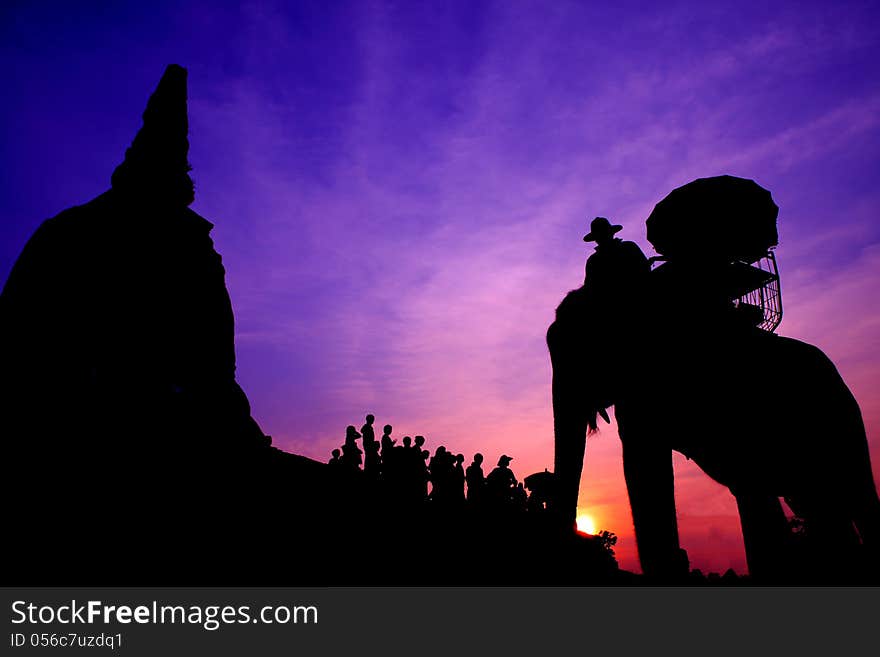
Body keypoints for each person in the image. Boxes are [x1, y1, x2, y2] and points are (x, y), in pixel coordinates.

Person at [582, 216, 649, 302]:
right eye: (600, 234)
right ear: (612, 233)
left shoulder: (593, 261)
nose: (601, 237)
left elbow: (590, 289)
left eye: (603, 233)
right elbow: (645, 268)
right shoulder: (629, 247)